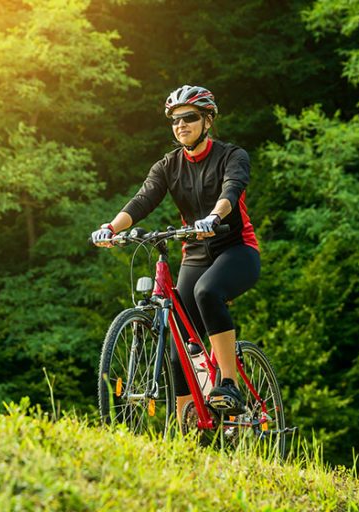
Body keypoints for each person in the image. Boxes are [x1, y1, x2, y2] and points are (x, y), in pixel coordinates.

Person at [91, 85, 260, 422]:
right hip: (195, 253)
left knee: (207, 292)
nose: (181, 125)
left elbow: (232, 189)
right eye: (174, 120)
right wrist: (112, 227)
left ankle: (228, 382)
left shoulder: (231, 156)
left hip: (236, 249)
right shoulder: (168, 166)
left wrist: (214, 216)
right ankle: (187, 423)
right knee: (177, 340)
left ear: (207, 120)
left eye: (189, 118)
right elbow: (143, 200)